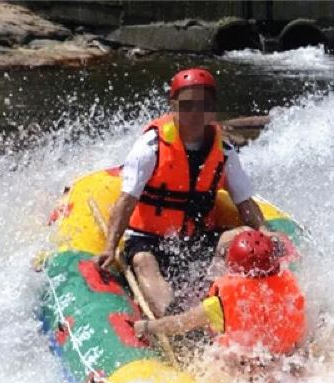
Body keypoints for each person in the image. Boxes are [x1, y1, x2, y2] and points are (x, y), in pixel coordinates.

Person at [95, 68, 269, 316]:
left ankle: (215, 298)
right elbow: (127, 200)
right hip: (148, 239)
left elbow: (245, 203)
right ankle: (174, 318)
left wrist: (264, 232)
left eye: (203, 106)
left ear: (212, 109)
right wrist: (110, 247)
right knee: (143, 262)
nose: (194, 113)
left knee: (241, 236)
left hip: (197, 237)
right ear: (173, 105)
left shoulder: (224, 151)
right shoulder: (151, 146)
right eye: (187, 105)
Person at [133, 229, 306, 361]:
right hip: (281, 361)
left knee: (214, 357)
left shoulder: (223, 302)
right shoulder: (290, 289)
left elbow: (180, 324)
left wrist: (147, 327)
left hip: (241, 366)